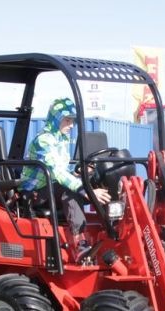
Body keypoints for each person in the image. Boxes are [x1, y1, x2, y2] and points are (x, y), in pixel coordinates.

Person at [19, 97, 110, 262]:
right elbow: (57, 172)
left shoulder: (61, 139)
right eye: (67, 120)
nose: (71, 125)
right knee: (72, 190)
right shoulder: (44, 140)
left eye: (72, 121)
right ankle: (79, 244)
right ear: (56, 119)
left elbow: (61, 171)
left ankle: (110, 230)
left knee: (93, 181)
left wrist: (78, 174)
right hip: (34, 193)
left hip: (50, 187)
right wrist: (85, 190)